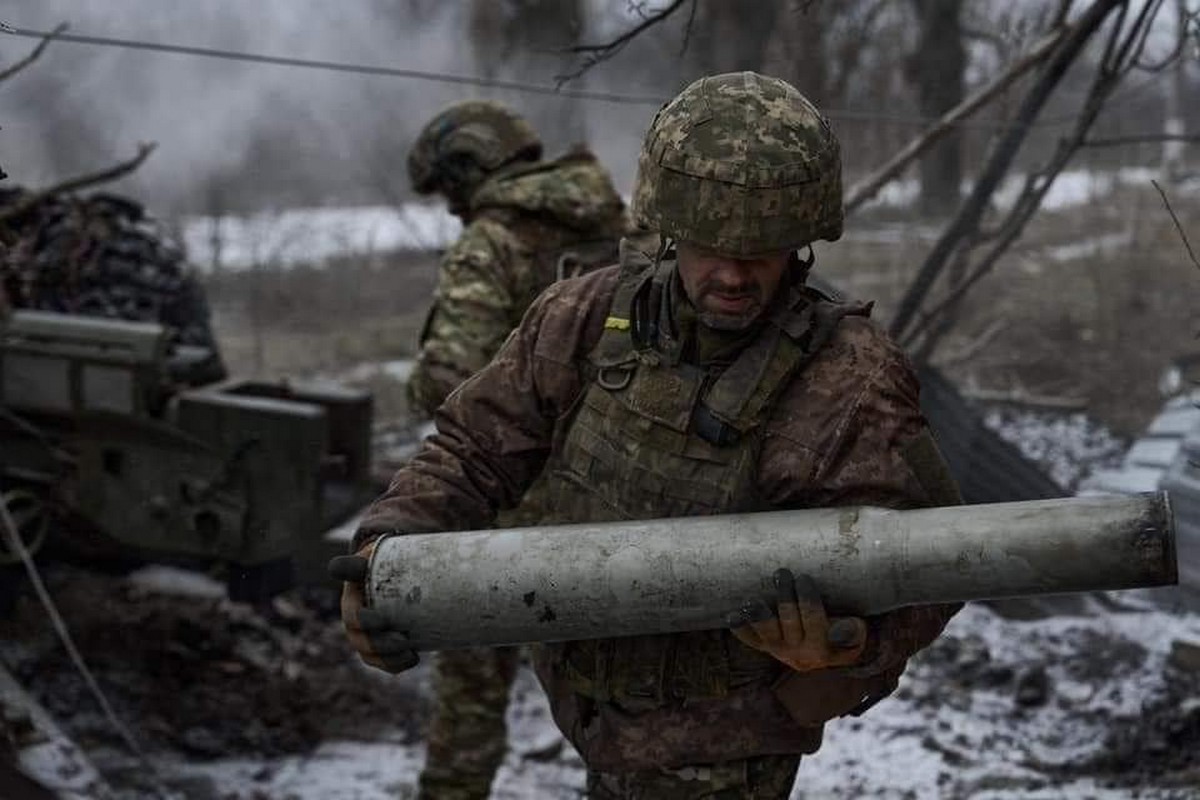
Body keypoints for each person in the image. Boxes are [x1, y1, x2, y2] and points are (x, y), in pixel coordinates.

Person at [338, 72, 961, 799]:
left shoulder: (848, 376)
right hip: (592, 707)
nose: (732, 273)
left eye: (761, 248)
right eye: (708, 243)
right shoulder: (581, 316)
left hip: (724, 741)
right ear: (669, 225)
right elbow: (472, 445)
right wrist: (386, 545)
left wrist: (846, 648)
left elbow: (930, 560)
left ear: (802, 239)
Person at [402, 98, 628, 800]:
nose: (450, 210)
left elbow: (450, 376)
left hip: (508, 511)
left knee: (470, 698)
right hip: (618, 504)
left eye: (449, 190)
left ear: (471, 169)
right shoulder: (619, 226)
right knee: (622, 709)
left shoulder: (492, 242)